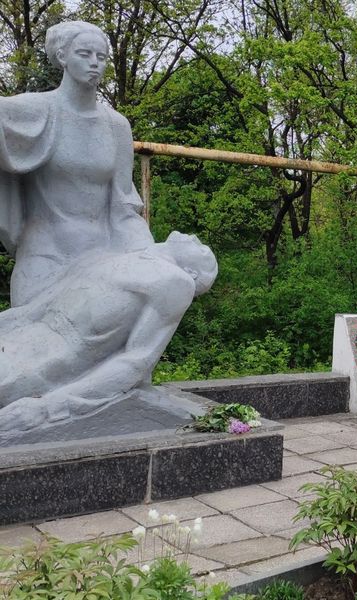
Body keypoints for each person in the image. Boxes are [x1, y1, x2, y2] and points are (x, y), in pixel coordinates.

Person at [0, 232, 217, 433]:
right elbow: (32, 312)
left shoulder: (175, 282)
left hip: (32, 368)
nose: (197, 239)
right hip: (14, 342)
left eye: (205, 252)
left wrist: (48, 407)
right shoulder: (115, 256)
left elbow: (135, 362)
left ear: (192, 274)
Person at [0, 20, 153, 305]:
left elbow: (124, 209)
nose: (94, 63)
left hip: (105, 259)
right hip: (45, 259)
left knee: (167, 285)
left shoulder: (117, 126)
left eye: (102, 57)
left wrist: (151, 255)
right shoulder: (37, 110)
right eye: (84, 54)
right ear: (63, 57)